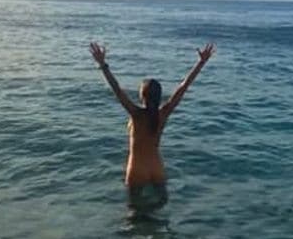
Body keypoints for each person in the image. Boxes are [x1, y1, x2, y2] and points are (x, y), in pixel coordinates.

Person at [89, 40, 215, 210]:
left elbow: (116, 89)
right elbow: (183, 87)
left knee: (134, 217)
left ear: (142, 97)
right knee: (161, 215)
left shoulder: (135, 114)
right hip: (157, 170)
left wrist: (103, 64)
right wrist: (201, 62)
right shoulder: (163, 114)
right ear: (159, 97)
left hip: (137, 170)